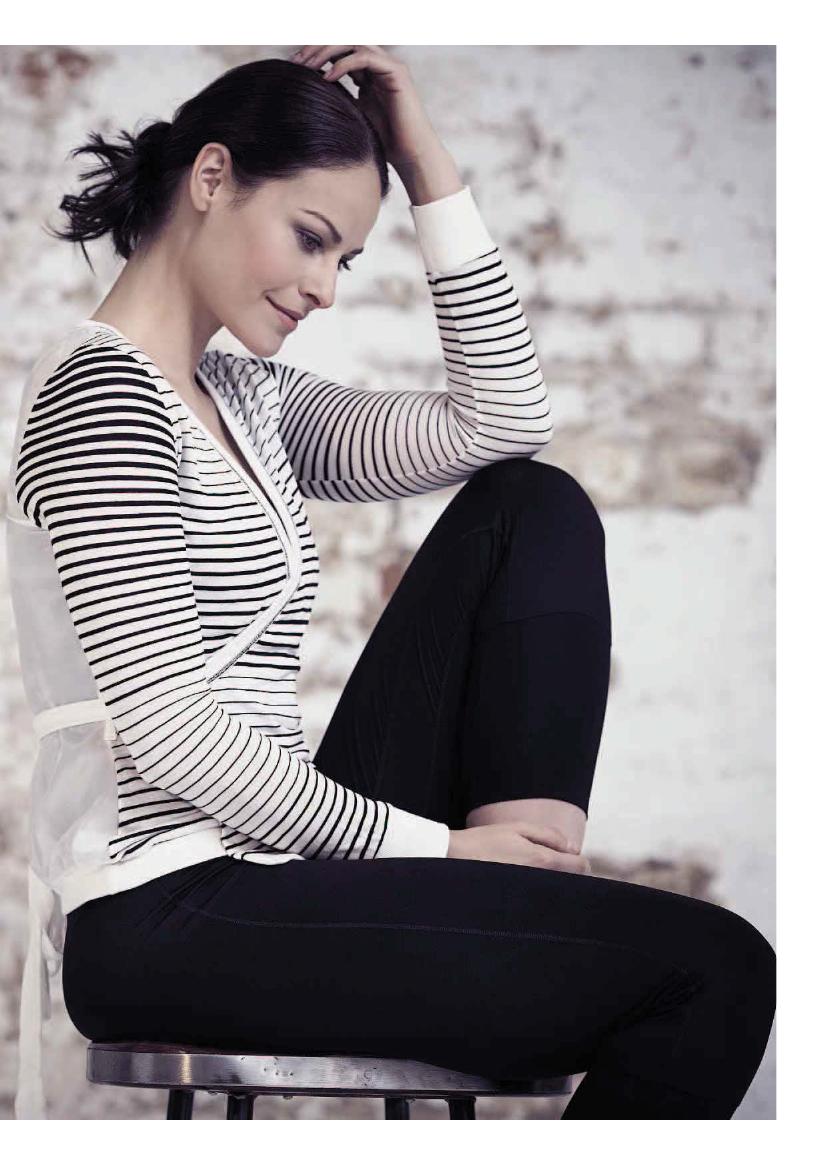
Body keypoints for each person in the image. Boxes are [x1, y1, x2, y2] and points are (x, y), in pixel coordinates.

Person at [5, 47, 775, 1120]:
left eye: (347, 260)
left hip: (265, 863)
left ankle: (526, 874)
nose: (324, 288)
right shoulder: (104, 399)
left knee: (531, 506)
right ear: (212, 177)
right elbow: (173, 731)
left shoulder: (248, 398)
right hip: (161, 910)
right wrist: (445, 848)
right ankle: (500, 885)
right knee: (716, 968)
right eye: (310, 238)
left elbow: (504, 420)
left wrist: (423, 165)